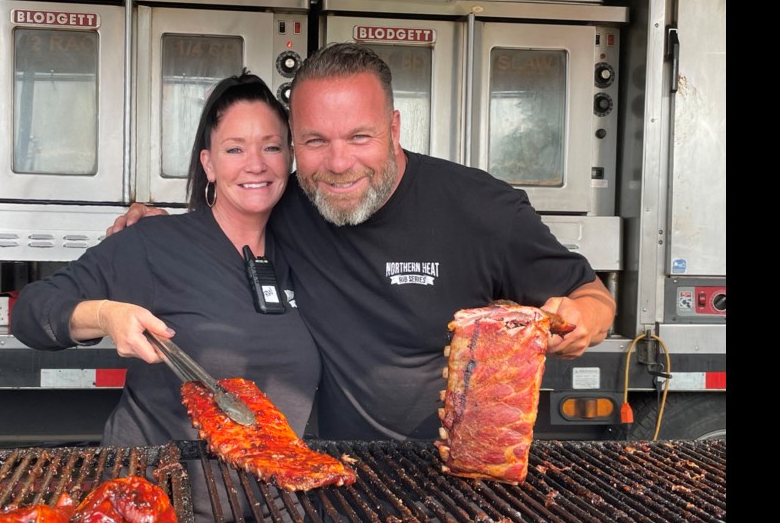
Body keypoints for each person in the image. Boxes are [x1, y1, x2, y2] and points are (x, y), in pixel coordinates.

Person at [109, 42, 616, 442]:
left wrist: (580, 322)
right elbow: (232, 208)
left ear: (394, 128)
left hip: (448, 472)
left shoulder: (481, 207)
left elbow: (593, 298)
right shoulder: (294, 202)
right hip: (327, 472)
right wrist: (157, 226)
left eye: (358, 137)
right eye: (315, 141)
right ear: (295, 143)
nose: (337, 163)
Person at [10, 72, 320, 523]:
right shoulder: (153, 244)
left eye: (272, 147)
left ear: (290, 159)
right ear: (208, 163)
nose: (256, 164)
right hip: (158, 518)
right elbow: (30, 312)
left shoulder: (305, 252)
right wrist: (107, 314)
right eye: (235, 149)